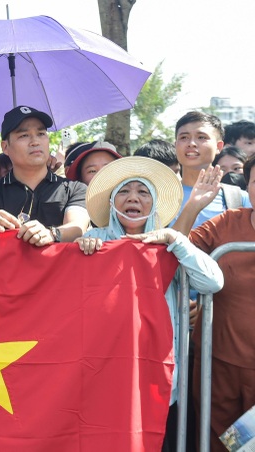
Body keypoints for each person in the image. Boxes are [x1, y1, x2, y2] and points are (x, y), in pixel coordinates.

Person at [73, 156, 224, 452]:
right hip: (101, 372)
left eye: (143, 192)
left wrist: (176, 240)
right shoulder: (94, 238)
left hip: (158, 374)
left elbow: (213, 282)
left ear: (153, 202)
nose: (133, 198)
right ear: (113, 201)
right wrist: (79, 249)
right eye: (125, 191)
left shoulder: (169, 243)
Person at [173, 153, 255, 450]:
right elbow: (175, 246)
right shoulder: (229, 223)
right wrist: (194, 205)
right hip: (218, 365)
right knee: (220, 444)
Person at [0, 105, 89, 245]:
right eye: (24, 135)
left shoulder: (74, 189)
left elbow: (76, 227)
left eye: (41, 134)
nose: (35, 142)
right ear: (5, 147)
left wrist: (52, 234)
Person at [172, 111, 251, 232]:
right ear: (175, 145)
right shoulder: (157, 197)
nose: (191, 144)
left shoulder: (239, 198)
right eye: (184, 137)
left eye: (201, 137)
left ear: (219, 147)